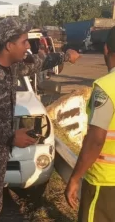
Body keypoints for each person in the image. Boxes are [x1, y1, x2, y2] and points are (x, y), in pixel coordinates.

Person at [0, 17, 79, 222]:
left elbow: (38, 63)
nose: (27, 47)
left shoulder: (12, 66)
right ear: (9, 45)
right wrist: (10, 136)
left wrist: (65, 56)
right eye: (24, 42)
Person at [65, 26, 115, 222]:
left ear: (105, 49)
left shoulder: (106, 87)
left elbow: (96, 139)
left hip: (105, 183)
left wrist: (75, 177)